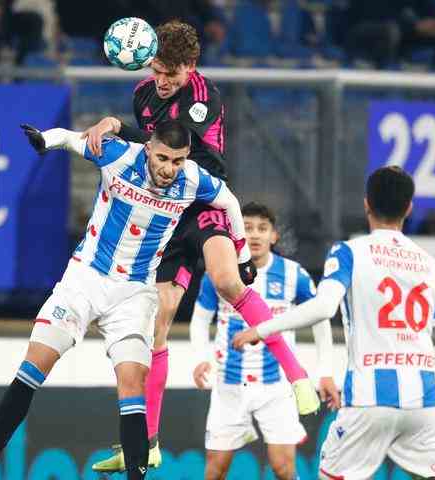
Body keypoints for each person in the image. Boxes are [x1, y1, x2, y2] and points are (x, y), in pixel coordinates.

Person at [0, 119, 250, 480]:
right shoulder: (120, 155)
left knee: (133, 382)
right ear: (149, 148)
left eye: (178, 161)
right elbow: (71, 140)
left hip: (135, 293)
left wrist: (243, 255)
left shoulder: (194, 179)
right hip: (85, 277)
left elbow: (229, 201)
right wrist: (45, 140)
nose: (169, 169)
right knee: (34, 365)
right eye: (164, 158)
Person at [86, 19, 319, 473]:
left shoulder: (202, 97)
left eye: (171, 73)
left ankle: (297, 377)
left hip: (206, 201)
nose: (163, 81)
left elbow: (175, 150)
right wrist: (119, 129)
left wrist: (115, 126)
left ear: (190, 67)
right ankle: (149, 442)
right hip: (169, 212)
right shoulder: (143, 95)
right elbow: (152, 156)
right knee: (156, 323)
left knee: (228, 282)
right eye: (157, 71)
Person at [234, 166, 435, 480]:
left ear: (366, 203)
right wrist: (410, 364)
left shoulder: (350, 253)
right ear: (409, 208)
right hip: (424, 403)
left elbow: (323, 307)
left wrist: (260, 329)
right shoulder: (429, 264)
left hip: (367, 399)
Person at [192, 202, 340, 480]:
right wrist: (201, 357)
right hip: (229, 386)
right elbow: (200, 320)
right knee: (215, 469)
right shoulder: (220, 272)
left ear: (274, 236)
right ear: (236, 233)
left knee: (283, 468)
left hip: (276, 388)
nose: (255, 235)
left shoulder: (294, 274)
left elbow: (321, 317)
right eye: (246, 228)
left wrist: (325, 370)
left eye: (262, 228)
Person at [341, 0, 435, 69]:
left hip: (402, 31)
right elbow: (374, 14)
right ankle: (383, 79)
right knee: (390, 30)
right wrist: (415, 26)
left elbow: (427, 8)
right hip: (361, 32)